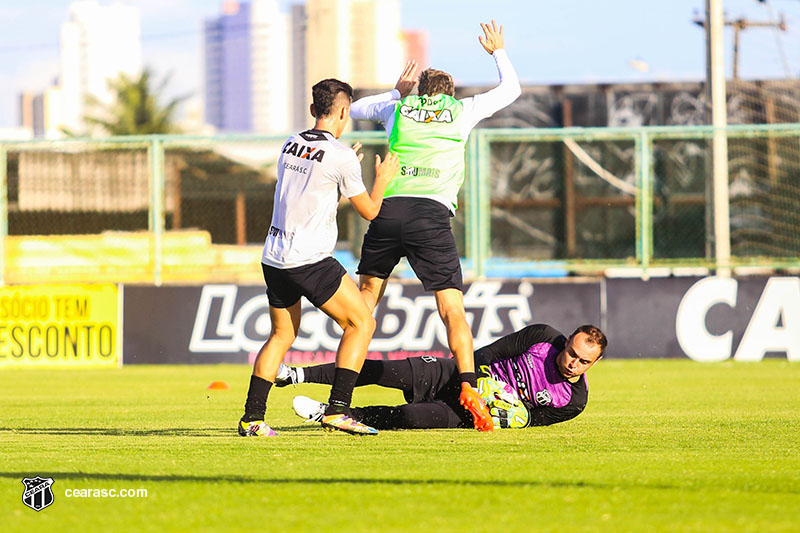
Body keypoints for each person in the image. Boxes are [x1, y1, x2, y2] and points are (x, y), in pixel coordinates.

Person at [348, 21, 522, 432]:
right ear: (451, 92)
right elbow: (511, 90)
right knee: (451, 309)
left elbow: (352, 108)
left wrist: (397, 92)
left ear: (421, 91)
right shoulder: (463, 111)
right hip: (431, 217)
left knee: (365, 304)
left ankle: (341, 394)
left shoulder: (395, 109)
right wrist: (497, 51)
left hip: (387, 211)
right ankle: (468, 387)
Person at [238, 78, 400, 437]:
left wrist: (344, 178)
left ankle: (252, 419)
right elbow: (370, 211)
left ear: (314, 110)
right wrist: (383, 177)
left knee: (281, 336)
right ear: (344, 113)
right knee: (362, 324)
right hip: (309, 259)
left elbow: (311, 197)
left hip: (275, 256)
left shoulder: (290, 144)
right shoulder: (340, 156)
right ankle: (338, 410)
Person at [276, 324, 607, 430]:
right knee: (384, 370)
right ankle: (296, 373)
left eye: (584, 362)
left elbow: (529, 422)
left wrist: (497, 413)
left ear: (596, 362)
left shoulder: (575, 402)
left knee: (405, 418)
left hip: (470, 413)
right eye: (572, 354)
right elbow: (484, 354)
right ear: (565, 343)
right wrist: (480, 383)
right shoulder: (543, 337)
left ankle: (331, 413)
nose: (574, 364)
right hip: (457, 376)